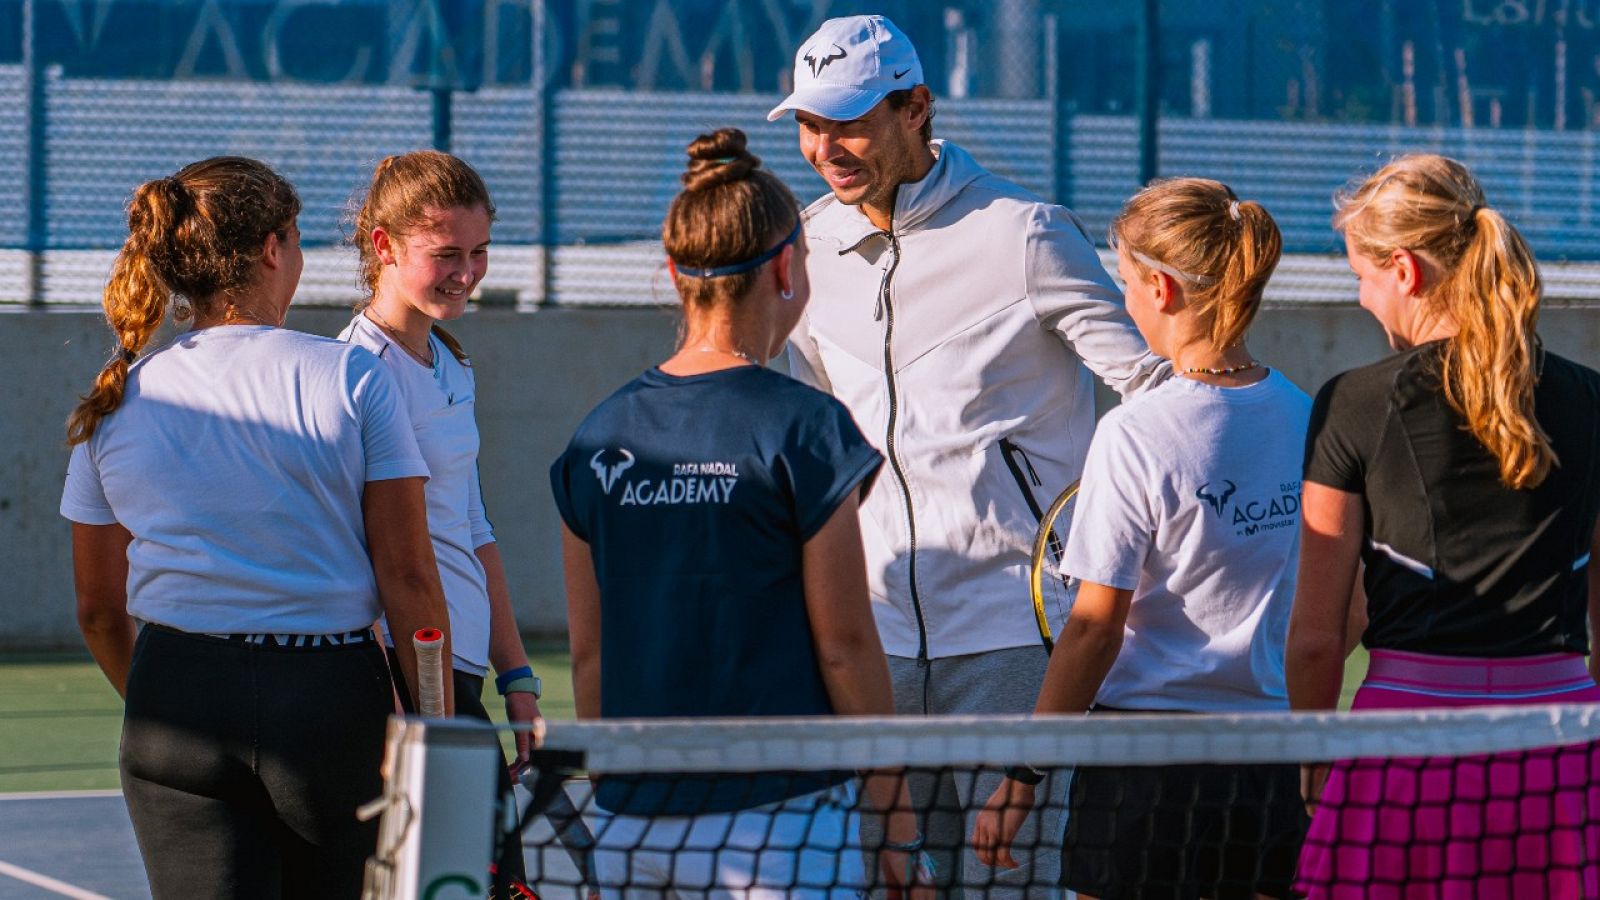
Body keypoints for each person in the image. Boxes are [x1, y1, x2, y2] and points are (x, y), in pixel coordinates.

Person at [767, 13, 1169, 894]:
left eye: (849, 120)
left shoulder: (1025, 232)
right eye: (810, 123)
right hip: (869, 638)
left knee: (1011, 889)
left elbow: (1153, 392)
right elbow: (814, 439)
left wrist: (1095, 550)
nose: (826, 146)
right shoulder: (803, 246)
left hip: (1013, 642)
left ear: (916, 108)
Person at [550, 127, 929, 899]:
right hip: (784, 826)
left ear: (673, 272)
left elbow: (590, 658)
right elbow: (847, 646)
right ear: (788, 266)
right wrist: (895, 825)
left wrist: (614, 807)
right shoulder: (808, 428)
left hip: (628, 820)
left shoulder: (595, 438)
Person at [59, 156, 452, 898]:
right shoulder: (351, 378)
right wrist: (440, 730)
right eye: (298, 240)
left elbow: (98, 610)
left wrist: (169, 697)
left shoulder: (116, 402)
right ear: (274, 248)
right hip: (329, 705)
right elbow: (408, 579)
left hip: (174, 696)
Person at [968, 178, 1311, 899]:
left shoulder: (1135, 432)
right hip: (1272, 762)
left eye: (1124, 281)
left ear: (1160, 288)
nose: (1123, 299)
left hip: (1142, 769)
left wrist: (1023, 775)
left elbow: (1093, 629)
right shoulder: (1304, 415)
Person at [1287, 153, 1600, 899]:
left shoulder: (1353, 403)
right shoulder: (1591, 399)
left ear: (1405, 270)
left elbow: (1318, 635)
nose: (1361, 299)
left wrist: (1309, 754)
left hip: (1404, 752)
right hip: (1563, 750)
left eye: (1360, 276)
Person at [340, 150, 540, 896]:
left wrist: (515, 673)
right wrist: (395, 709)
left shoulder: (453, 363)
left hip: (457, 683)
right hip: (400, 683)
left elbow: (473, 528)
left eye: (479, 252)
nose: (467, 272)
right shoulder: (351, 375)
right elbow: (351, 553)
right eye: (445, 255)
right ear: (385, 246)